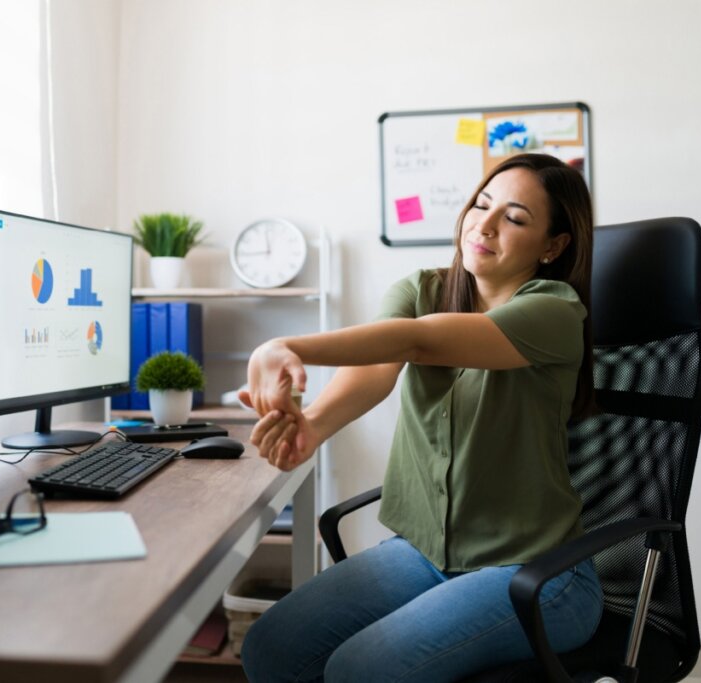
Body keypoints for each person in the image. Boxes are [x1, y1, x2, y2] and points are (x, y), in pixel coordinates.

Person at [238, 153, 604, 682]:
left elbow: (418, 341)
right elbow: (377, 368)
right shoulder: (419, 289)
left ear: (553, 246)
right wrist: (313, 424)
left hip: (539, 574)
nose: (485, 223)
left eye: (515, 218)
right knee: (270, 649)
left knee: (359, 670)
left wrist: (284, 344)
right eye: (482, 204)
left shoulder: (555, 311)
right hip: (425, 555)